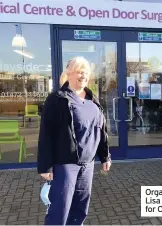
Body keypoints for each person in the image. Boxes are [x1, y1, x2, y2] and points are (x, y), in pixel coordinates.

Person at [37, 56, 112, 225]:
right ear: (68, 74)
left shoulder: (93, 100)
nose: (83, 75)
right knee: (60, 211)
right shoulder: (57, 99)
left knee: (80, 209)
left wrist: (105, 156)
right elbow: (46, 134)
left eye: (85, 72)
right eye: (79, 71)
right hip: (65, 165)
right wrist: (45, 166)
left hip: (88, 164)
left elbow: (100, 130)